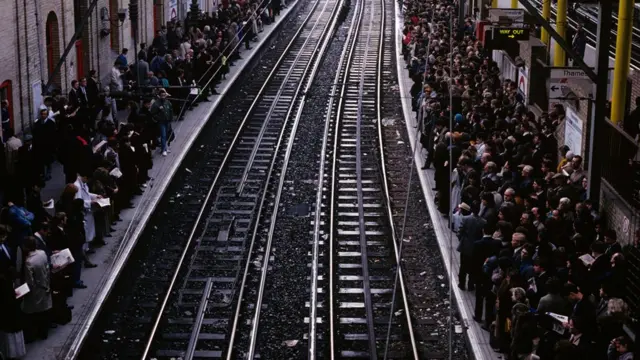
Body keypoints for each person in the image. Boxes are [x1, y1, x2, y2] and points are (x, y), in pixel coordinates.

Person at [21, 236, 52, 342]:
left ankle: (33, 335)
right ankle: (44, 332)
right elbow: (47, 268)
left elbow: (30, 282)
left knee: (34, 312)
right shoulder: (42, 253)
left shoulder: (29, 262)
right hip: (45, 284)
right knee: (44, 310)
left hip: (36, 290)